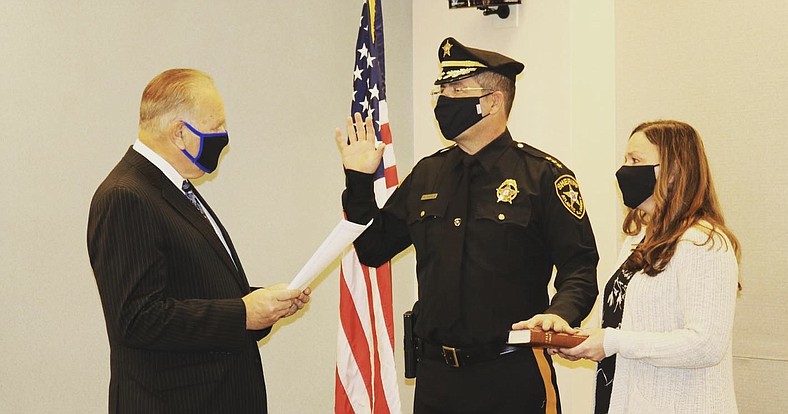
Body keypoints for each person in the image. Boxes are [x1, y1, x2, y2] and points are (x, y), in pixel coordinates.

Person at [334, 38, 599, 414]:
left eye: (457, 89)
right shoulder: (428, 174)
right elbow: (373, 248)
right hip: (437, 381)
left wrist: (560, 314)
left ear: (492, 102)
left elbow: (580, 268)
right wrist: (358, 182)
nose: (444, 98)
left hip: (510, 376)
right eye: (442, 89)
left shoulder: (542, 177)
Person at [87, 68, 310, 414]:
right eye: (216, 127)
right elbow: (137, 319)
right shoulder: (126, 196)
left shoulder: (175, 189)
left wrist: (262, 305)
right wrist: (242, 313)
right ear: (179, 132)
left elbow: (193, 291)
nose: (225, 137)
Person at [557, 120, 741, 413]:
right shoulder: (638, 239)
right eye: (625, 159)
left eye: (635, 161)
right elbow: (629, 325)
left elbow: (706, 344)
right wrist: (581, 338)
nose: (624, 170)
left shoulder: (704, 243)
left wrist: (614, 341)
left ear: (673, 171)